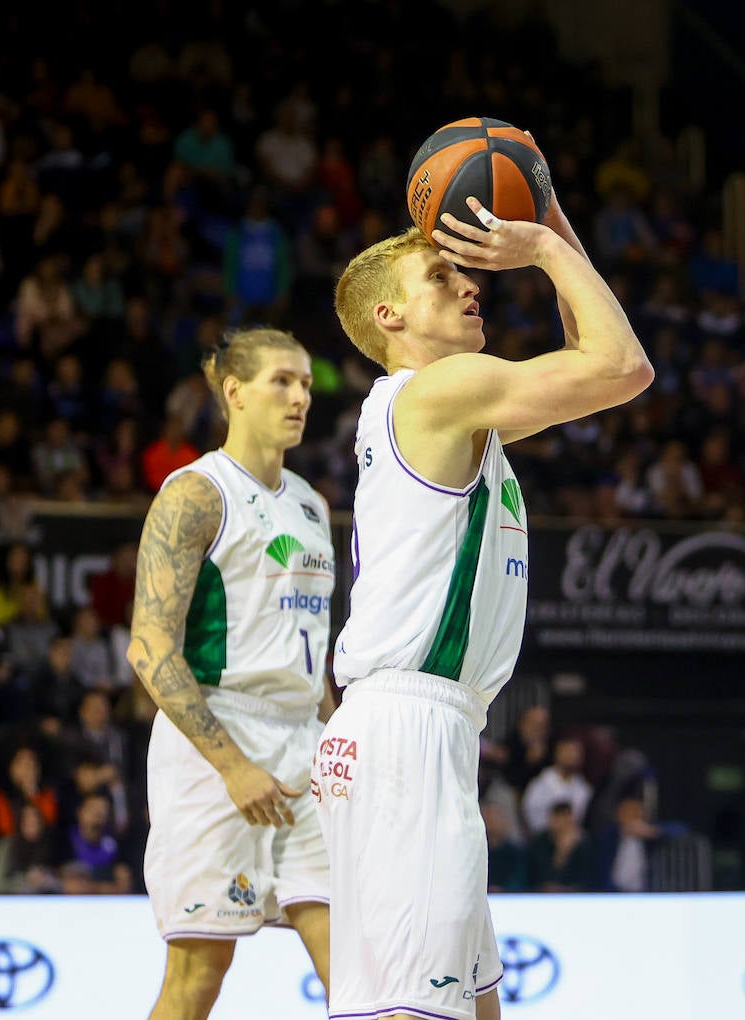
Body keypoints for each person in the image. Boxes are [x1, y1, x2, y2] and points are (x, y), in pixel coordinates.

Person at [314, 178, 651, 1020]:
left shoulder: (455, 413)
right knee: (412, 1012)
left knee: (469, 1009)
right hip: (405, 733)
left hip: (421, 730)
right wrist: (540, 246)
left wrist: (551, 219)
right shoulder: (437, 395)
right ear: (389, 318)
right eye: (440, 276)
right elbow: (623, 367)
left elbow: (592, 357)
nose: (471, 281)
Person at [124, 327, 336, 1019]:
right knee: (197, 978)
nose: (300, 396)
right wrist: (233, 765)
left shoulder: (313, 504)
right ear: (234, 391)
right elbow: (150, 649)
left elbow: (313, 644)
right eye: (282, 380)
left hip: (305, 738)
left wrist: (337, 743)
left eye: (305, 383)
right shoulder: (195, 493)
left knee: (357, 959)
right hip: (219, 737)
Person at [520, 737, 593, 835]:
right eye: (567, 751)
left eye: (575, 752)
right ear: (557, 754)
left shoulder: (584, 788)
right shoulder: (540, 784)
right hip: (543, 838)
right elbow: (530, 815)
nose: (571, 756)